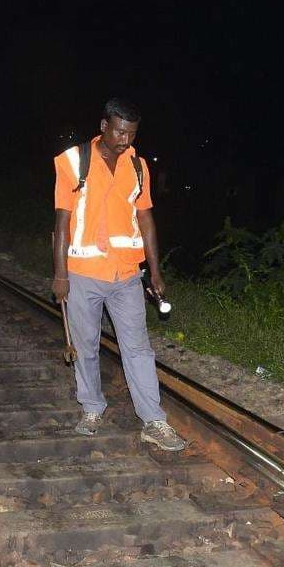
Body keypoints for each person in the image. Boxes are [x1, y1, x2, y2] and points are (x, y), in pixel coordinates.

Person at [52, 98, 186, 451]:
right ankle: (92, 408)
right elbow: (62, 221)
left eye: (131, 134)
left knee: (138, 347)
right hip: (83, 272)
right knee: (86, 346)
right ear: (104, 127)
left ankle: (153, 421)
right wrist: (60, 273)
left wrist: (155, 271)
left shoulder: (139, 167)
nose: (126, 140)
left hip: (127, 273)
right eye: (120, 132)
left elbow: (145, 219)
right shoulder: (73, 161)